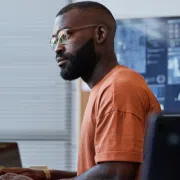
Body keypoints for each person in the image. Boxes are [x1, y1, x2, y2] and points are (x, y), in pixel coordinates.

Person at [0, 1, 161, 180]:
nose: (57, 48)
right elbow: (97, 172)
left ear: (100, 34)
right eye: (54, 41)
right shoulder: (105, 88)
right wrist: (45, 175)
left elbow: (115, 175)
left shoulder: (118, 89)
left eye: (65, 36)